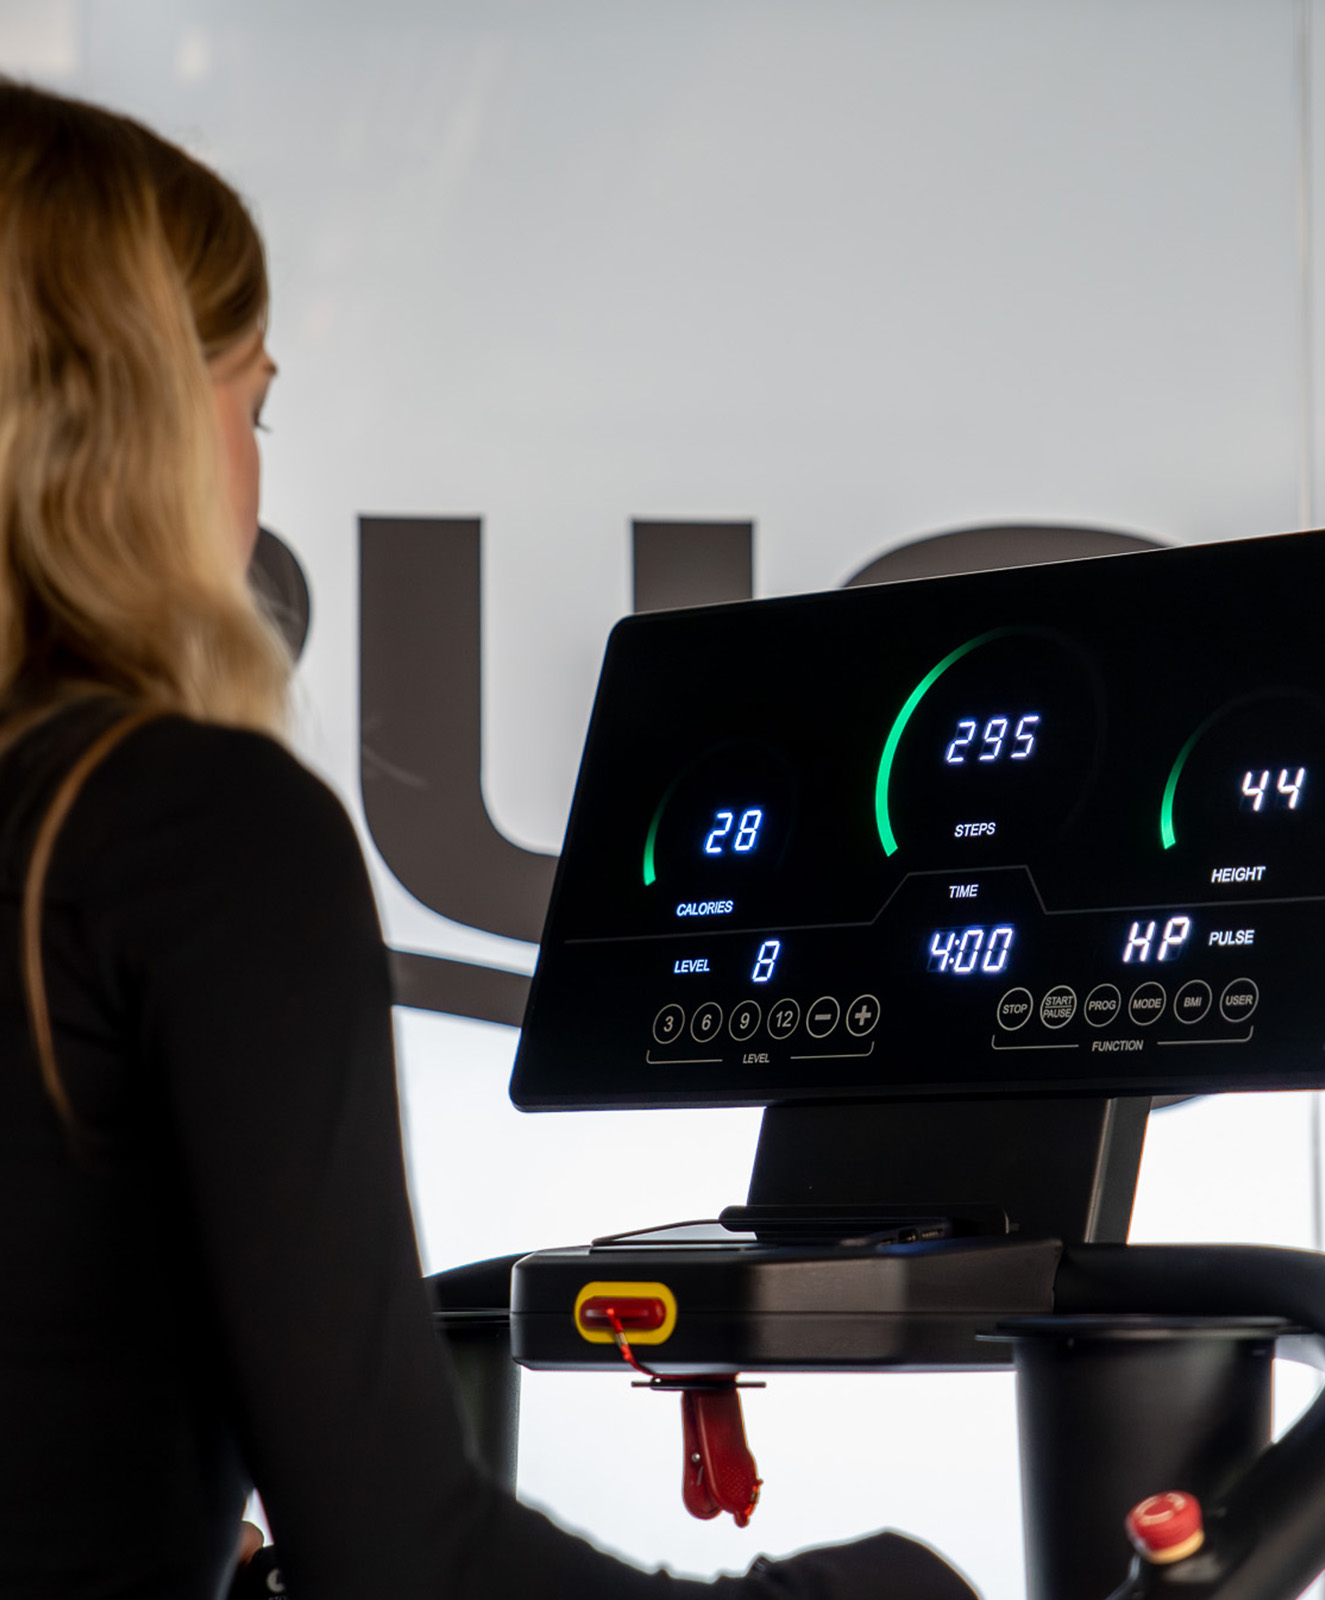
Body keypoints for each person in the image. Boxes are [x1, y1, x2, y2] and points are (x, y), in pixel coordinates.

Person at [0, 81, 980, 1600]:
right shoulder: (189, 828)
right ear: (122, 424)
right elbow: (404, 1563)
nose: (253, 486)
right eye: (247, 407)